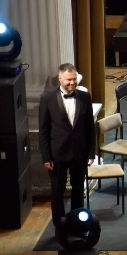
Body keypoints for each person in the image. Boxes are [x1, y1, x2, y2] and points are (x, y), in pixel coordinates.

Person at [39, 63, 95, 227]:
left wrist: (91, 153)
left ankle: (77, 223)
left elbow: (90, 128)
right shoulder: (47, 98)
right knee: (57, 191)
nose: (72, 83)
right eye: (68, 80)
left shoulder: (85, 97)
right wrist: (46, 157)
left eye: (74, 79)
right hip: (57, 154)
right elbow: (43, 131)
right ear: (60, 79)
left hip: (79, 153)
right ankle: (60, 226)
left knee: (78, 190)